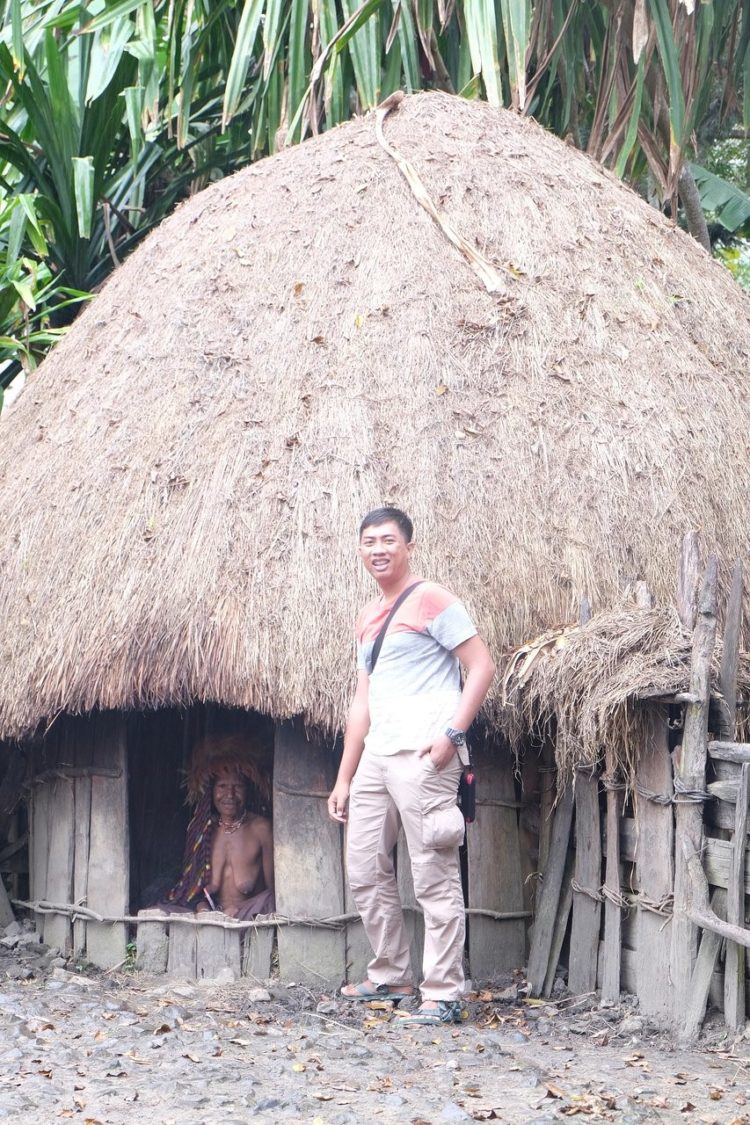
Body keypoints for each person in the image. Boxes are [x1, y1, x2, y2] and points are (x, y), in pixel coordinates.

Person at [328, 507, 496, 1026]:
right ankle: (391, 974)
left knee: (432, 871)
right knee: (364, 867)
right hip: (377, 755)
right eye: (368, 542)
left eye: (388, 540)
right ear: (360, 550)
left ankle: (443, 991)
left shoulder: (431, 599)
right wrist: (344, 776)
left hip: (426, 756)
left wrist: (452, 734)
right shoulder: (367, 617)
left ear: (408, 546)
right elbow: (363, 702)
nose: (377, 550)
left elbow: (482, 665)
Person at [162, 739, 275, 920]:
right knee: (163, 911)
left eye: (237, 787)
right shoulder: (203, 830)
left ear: (247, 791)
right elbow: (193, 889)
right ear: (210, 792)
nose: (229, 795)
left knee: (270, 901)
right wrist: (204, 910)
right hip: (213, 915)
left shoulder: (261, 829)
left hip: (250, 915)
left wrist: (239, 910)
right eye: (222, 786)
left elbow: (274, 890)